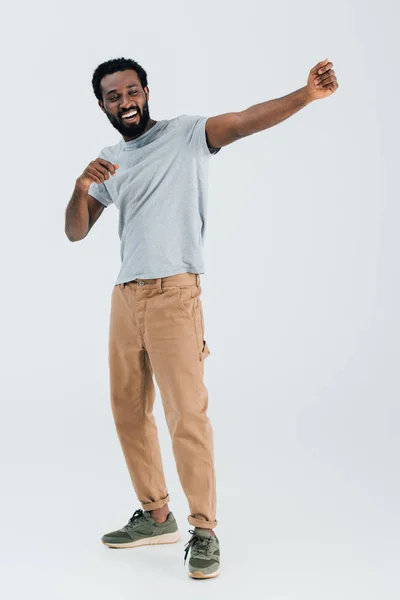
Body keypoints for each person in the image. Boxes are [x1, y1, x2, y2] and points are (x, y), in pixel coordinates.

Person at [64, 56, 338, 579]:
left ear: (145, 91)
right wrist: (80, 188)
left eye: (131, 92)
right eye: (113, 97)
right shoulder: (108, 160)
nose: (125, 103)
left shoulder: (187, 135)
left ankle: (204, 529)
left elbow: (243, 120)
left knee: (186, 415)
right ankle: (155, 515)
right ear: (102, 105)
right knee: (128, 413)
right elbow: (76, 232)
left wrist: (305, 96)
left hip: (175, 295)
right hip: (126, 297)